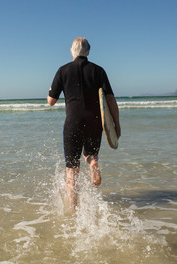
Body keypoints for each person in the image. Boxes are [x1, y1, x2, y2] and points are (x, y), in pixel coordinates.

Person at [48, 37, 120, 211]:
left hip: (73, 123)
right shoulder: (98, 71)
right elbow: (110, 99)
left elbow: (51, 101)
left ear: (72, 51)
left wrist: (51, 91)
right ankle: (93, 162)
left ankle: (74, 210)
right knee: (90, 154)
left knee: (72, 171)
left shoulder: (62, 70)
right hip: (95, 123)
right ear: (88, 52)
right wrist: (116, 125)